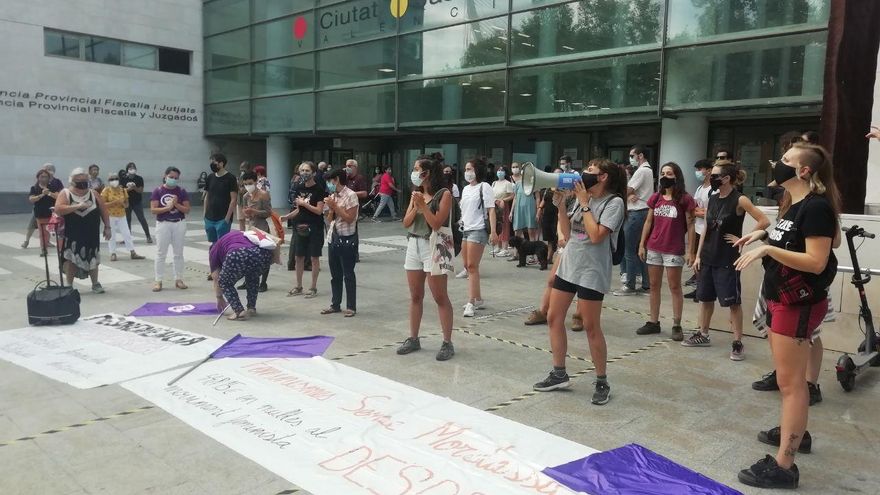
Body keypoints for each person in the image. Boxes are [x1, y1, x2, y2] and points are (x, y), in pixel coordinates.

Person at [732, 143, 840, 489]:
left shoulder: (817, 207)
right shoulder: (795, 205)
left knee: (791, 385)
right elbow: (790, 237)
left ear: (804, 171)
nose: (776, 164)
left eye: (785, 161)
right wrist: (763, 233)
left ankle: (785, 465)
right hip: (782, 299)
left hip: (798, 304)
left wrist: (766, 248)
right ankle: (797, 433)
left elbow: (816, 261)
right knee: (787, 381)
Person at [532, 158, 627, 406]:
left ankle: (602, 381)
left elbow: (596, 236)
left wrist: (584, 203)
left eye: (590, 170)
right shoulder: (582, 198)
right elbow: (568, 232)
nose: (584, 173)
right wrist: (562, 205)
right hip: (570, 265)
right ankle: (559, 373)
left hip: (592, 271)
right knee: (553, 317)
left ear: (603, 177)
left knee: (590, 326)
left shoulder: (613, 203)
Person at [687, 160, 769, 359]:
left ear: (726, 178)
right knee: (705, 299)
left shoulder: (739, 200)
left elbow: (764, 221)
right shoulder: (712, 198)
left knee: (733, 302)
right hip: (708, 256)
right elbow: (706, 227)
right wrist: (698, 255)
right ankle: (703, 334)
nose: (711, 178)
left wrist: (743, 240)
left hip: (727, 258)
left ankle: (737, 342)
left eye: (715, 175)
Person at [397, 156, 455, 361]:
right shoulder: (417, 194)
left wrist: (423, 207)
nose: (413, 172)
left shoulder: (444, 194)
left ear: (427, 173)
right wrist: (415, 205)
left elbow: (437, 224)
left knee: (440, 296)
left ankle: (447, 342)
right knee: (415, 295)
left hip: (433, 245)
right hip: (413, 244)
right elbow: (406, 222)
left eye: (416, 169)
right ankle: (413, 338)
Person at [636, 162, 696, 341]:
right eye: (663, 173)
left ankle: (677, 324)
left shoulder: (685, 199)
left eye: (669, 173)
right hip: (654, 247)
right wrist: (642, 244)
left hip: (673, 249)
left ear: (676, 176)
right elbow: (648, 222)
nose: (665, 176)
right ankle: (653, 322)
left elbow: (691, 225)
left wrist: (690, 250)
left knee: (674, 286)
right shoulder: (656, 197)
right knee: (654, 286)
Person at [54, 167, 111, 293]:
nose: (82, 182)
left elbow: (104, 211)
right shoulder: (66, 193)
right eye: (79, 180)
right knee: (72, 258)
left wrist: (107, 227)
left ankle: (95, 283)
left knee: (93, 257)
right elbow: (58, 209)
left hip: (91, 232)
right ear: (72, 181)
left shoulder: (93, 193)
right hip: (73, 232)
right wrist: (76, 206)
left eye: (85, 179)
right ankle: (69, 285)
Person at [458, 158, 498, 317]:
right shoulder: (466, 189)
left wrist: (494, 232)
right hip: (465, 230)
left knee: (472, 266)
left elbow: (491, 210)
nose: (467, 172)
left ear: (477, 171)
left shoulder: (485, 186)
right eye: (466, 169)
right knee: (468, 266)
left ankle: (471, 302)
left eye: (470, 169)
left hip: (478, 230)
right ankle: (478, 298)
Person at [211, 230, 279, 321]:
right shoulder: (239, 234)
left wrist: (219, 298)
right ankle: (251, 308)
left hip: (238, 253)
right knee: (253, 277)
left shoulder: (213, 251)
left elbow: (216, 278)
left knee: (224, 282)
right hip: (263, 254)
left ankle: (239, 311)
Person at [282, 161, 325, 299]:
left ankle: (313, 287)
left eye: (307, 170)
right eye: (302, 170)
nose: (304, 173)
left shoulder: (319, 189)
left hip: (315, 227)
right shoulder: (299, 187)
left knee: (313, 257)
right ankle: (299, 286)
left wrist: (304, 204)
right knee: (298, 257)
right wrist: (287, 217)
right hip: (300, 227)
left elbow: (319, 211)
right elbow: (298, 209)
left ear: (313, 172)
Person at [321, 169, 360, 317]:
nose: (328, 184)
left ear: (336, 179)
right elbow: (329, 219)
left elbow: (350, 218)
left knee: (348, 273)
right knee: (335, 274)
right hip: (333, 238)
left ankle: (351, 306)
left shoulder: (351, 195)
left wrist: (336, 207)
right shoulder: (332, 196)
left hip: (347, 238)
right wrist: (331, 208)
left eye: (329, 180)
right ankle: (335, 304)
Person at [615, 145, 653, 295]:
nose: (631, 158)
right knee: (640, 249)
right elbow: (630, 192)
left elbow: (627, 190)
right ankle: (646, 284)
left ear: (640, 155)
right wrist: (629, 195)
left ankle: (630, 285)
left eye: (632, 155)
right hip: (642, 212)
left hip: (636, 213)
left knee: (629, 250)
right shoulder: (648, 171)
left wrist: (625, 193)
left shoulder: (642, 171)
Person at [150, 167, 190, 292]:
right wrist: (168, 208)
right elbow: (153, 210)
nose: (173, 179)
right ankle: (158, 280)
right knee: (161, 253)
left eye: (176, 178)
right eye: (171, 177)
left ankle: (179, 279)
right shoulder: (158, 191)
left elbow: (187, 209)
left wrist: (176, 204)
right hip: (163, 224)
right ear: (165, 176)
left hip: (179, 223)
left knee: (178, 253)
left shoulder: (182, 191)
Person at [684, 159, 714, 299]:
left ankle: (703, 289)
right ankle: (697, 288)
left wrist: (701, 212)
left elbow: (711, 211)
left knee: (703, 260)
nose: (698, 172)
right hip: (697, 228)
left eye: (700, 169)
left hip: (707, 230)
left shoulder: (714, 190)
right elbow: (693, 208)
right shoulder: (699, 188)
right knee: (696, 258)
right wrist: (699, 212)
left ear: (709, 170)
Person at [101, 172, 145, 262]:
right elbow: (102, 205)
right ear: (108, 181)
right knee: (112, 235)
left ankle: (132, 252)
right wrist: (115, 202)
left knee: (127, 234)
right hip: (110, 216)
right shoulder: (106, 190)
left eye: (116, 179)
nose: (114, 181)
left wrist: (123, 204)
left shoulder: (123, 190)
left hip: (122, 215)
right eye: (111, 179)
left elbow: (127, 204)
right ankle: (113, 253)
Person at [240, 171, 272, 292]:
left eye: (250, 183)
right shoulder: (245, 196)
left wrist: (255, 211)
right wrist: (247, 213)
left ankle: (263, 282)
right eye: (246, 184)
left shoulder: (263, 194)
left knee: (264, 256)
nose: (248, 186)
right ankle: (248, 280)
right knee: (249, 257)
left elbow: (268, 212)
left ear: (255, 182)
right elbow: (245, 211)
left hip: (262, 227)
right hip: (251, 227)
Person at [205, 153, 238, 247]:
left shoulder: (230, 178)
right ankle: (213, 261)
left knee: (222, 244)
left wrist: (227, 218)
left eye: (214, 162)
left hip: (223, 218)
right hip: (209, 217)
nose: (212, 164)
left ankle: (221, 261)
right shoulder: (210, 177)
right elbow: (207, 196)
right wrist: (205, 214)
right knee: (213, 244)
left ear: (221, 163)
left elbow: (233, 199)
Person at [509, 162, 539, 261]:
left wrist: (538, 210)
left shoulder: (534, 182)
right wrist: (511, 211)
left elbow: (538, 198)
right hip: (519, 209)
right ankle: (515, 254)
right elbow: (515, 198)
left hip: (530, 208)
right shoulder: (517, 183)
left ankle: (533, 256)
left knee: (531, 231)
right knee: (517, 231)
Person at [27, 169, 60, 254]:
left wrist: (49, 193)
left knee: (53, 232)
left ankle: (60, 249)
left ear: (49, 178)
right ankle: (43, 249)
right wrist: (42, 195)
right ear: (38, 178)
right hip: (40, 213)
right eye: (42, 176)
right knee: (42, 233)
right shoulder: (34, 188)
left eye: (46, 177)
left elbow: (58, 197)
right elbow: (31, 199)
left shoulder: (52, 187)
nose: (44, 178)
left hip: (52, 214)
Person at [537, 168, 563, 263]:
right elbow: (544, 199)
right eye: (555, 174)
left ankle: (550, 257)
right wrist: (539, 209)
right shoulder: (549, 187)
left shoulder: (564, 187)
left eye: (559, 174)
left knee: (555, 236)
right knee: (548, 237)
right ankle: (549, 257)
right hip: (547, 214)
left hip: (557, 214)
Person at [123, 162, 153, 244]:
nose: (132, 169)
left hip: (137, 202)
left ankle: (148, 236)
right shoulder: (123, 179)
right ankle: (127, 238)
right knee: (127, 220)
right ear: (127, 169)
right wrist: (129, 189)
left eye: (133, 167)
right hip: (127, 202)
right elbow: (121, 191)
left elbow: (140, 191)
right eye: (130, 167)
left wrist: (134, 187)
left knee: (141, 218)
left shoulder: (139, 178)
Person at [492, 166, 514, 257]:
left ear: (505, 173)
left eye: (502, 170)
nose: (500, 172)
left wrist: (503, 200)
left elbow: (512, 195)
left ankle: (505, 248)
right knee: (496, 225)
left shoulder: (507, 183)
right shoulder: (494, 183)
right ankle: (498, 246)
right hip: (494, 205)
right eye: (498, 170)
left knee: (504, 226)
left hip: (503, 206)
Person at [237, 161, 253, 231]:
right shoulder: (240, 177)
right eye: (241, 169)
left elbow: (246, 189)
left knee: (250, 219)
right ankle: (242, 234)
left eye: (243, 169)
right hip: (240, 201)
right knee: (241, 219)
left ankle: (250, 234)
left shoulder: (251, 177)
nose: (242, 171)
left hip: (249, 201)